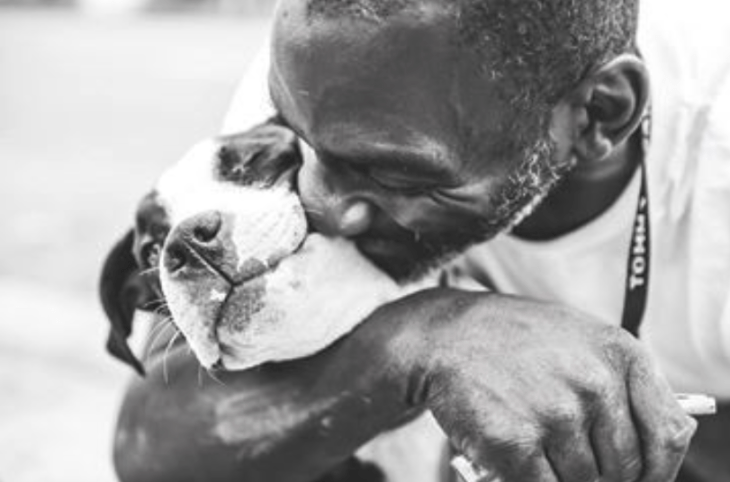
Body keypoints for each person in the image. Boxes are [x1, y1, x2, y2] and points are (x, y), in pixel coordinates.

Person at [113, 0, 730, 481]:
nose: (318, 202)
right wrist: (423, 341)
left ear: (598, 114)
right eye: (295, 140)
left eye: (390, 169)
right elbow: (153, 443)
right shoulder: (326, 75)